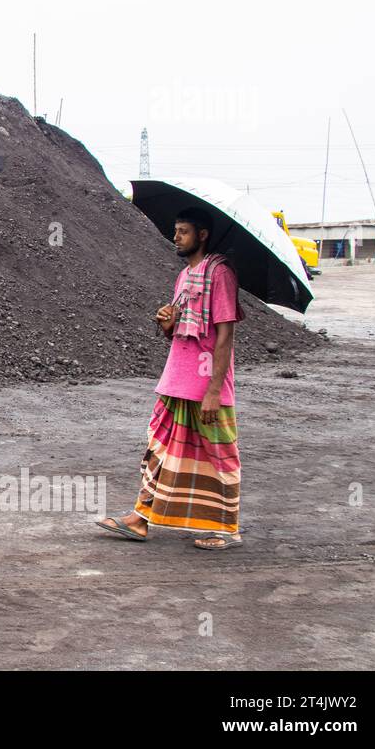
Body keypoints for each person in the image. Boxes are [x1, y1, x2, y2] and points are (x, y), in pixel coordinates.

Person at [95, 206, 244, 550]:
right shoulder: (184, 276)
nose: (176, 237)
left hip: (206, 382)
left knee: (216, 453)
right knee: (160, 448)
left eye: (183, 231)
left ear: (202, 235)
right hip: (177, 378)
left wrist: (214, 391)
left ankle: (223, 527)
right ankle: (141, 518)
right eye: (175, 230)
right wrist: (168, 324)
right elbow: (180, 333)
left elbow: (224, 336)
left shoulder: (220, 274)